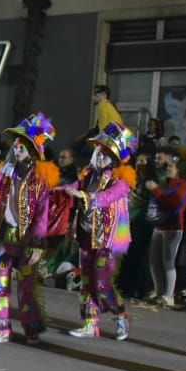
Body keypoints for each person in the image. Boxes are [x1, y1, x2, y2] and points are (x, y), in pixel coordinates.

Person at [0, 114, 62, 343]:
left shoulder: (40, 178)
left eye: (22, 147)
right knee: (1, 283)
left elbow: (42, 213)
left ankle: (31, 329)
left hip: (28, 240)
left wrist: (37, 242)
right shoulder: (6, 172)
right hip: (5, 235)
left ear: (32, 149)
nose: (17, 150)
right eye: (16, 146)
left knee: (26, 288)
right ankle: (0, 328)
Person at [65, 122, 138, 340]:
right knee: (87, 280)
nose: (99, 154)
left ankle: (120, 315)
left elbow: (109, 197)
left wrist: (86, 197)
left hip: (110, 238)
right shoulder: (89, 175)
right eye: (99, 149)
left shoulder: (122, 178)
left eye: (105, 151)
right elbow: (72, 189)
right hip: (87, 234)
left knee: (101, 282)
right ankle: (90, 323)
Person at [144, 151, 186, 306]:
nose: (168, 168)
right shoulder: (166, 182)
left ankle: (169, 295)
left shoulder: (183, 185)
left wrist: (156, 190)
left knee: (167, 261)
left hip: (173, 227)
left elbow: (174, 204)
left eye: (171, 166)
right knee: (153, 260)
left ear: (179, 170)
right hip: (159, 225)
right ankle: (158, 291)